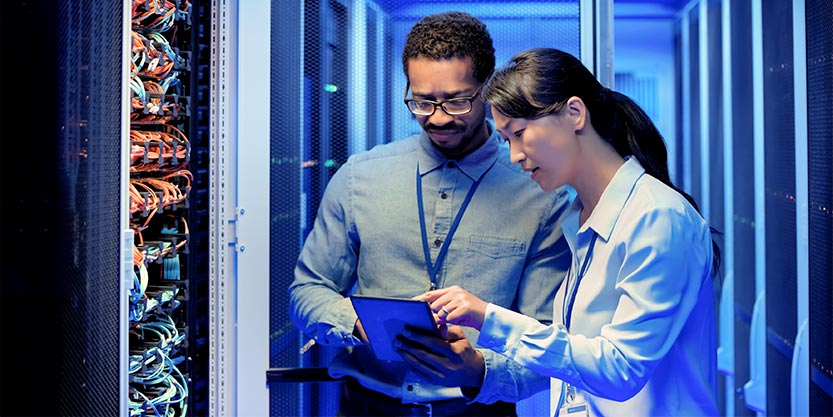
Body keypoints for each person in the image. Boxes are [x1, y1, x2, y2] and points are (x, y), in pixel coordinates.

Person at [288, 13, 573, 417]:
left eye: (457, 101)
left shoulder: (540, 195)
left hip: (477, 410)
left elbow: (549, 340)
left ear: (489, 90)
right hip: (366, 407)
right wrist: (354, 322)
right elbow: (305, 293)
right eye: (421, 102)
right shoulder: (358, 177)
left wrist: (476, 369)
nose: (437, 118)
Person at [417, 47, 722, 417]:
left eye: (519, 133)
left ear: (574, 113)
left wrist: (486, 316)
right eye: (506, 141)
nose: (514, 156)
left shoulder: (657, 216)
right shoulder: (581, 219)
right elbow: (573, 364)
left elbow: (619, 369)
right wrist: (475, 369)